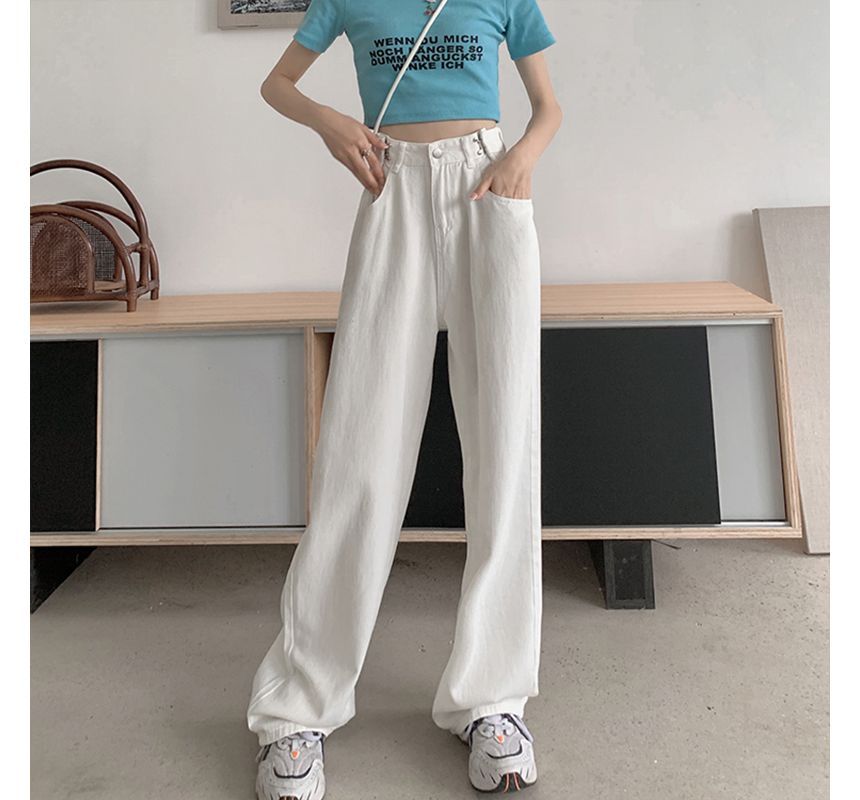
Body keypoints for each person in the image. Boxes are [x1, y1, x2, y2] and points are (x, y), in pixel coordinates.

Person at [249, 1, 562, 797]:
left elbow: (548, 107)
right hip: (394, 188)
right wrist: (329, 123)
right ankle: (298, 707)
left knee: (505, 444)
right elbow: (277, 84)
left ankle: (493, 700)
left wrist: (523, 156)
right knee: (361, 450)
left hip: (490, 187)